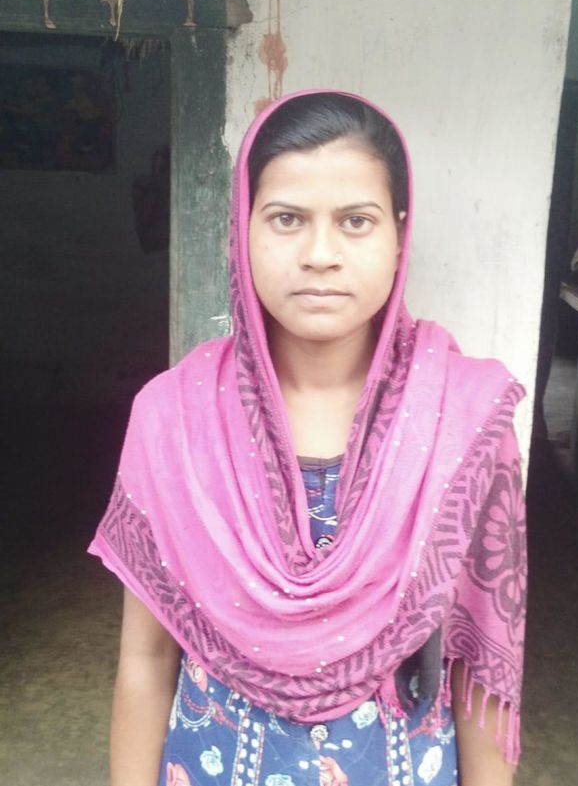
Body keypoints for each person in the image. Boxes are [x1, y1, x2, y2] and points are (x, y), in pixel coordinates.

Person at [89, 90, 527, 786]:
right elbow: (146, 658)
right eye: (287, 219)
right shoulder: (174, 417)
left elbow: (480, 663)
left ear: (399, 235)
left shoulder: (464, 417)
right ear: (243, 228)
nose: (321, 254)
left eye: (356, 221)